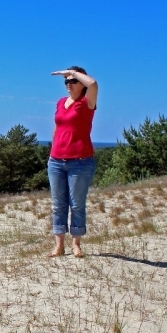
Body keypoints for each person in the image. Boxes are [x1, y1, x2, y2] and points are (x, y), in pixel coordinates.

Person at [48, 66, 98, 258]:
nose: (68, 84)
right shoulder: (61, 102)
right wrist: (52, 151)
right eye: (66, 81)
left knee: (76, 204)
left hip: (80, 162)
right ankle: (59, 246)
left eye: (72, 81)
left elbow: (93, 83)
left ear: (81, 82)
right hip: (56, 161)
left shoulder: (87, 102)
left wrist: (70, 71)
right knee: (58, 204)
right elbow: (57, 128)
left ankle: (76, 244)